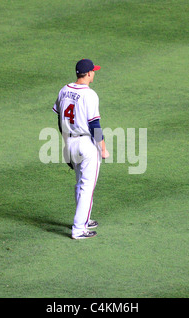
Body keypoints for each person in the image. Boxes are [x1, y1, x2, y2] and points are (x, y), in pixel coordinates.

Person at [52, 59, 109, 239]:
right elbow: (94, 125)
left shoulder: (64, 90)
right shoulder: (90, 95)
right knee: (87, 187)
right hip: (86, 145)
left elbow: (60, 119)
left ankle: (83, 219)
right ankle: (79, 229)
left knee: (80, 183)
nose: (95, 73)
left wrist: (66, 145)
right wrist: (103, 149)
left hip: (70, 141)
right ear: (89, 73)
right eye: (94, 71)